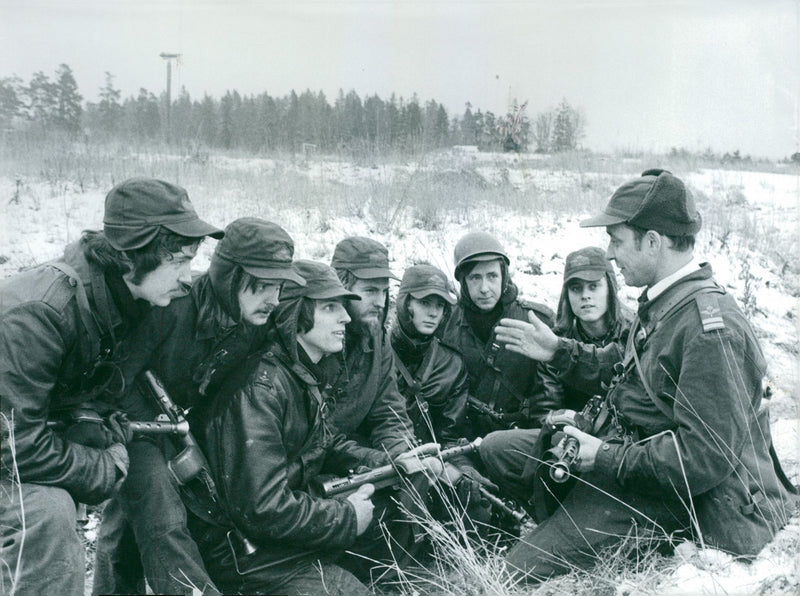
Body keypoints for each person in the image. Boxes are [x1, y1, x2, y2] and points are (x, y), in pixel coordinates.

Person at [489, 169, 793, 581]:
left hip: (668, 494)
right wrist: (559, 352)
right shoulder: (668, 301)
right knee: (498, 449)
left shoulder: (708, 329)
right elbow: (628, 365)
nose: (611, 254)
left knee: (512, 572)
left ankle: (610, 536)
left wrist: (605, 457)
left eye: (616, 241)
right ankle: (567, 516)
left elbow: (705, 458)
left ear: (652, 241)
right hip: (631, 456)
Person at [0, 178, 222, 595]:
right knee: (46, 516)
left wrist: (89, 420)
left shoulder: (119, 300)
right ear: (130, 255)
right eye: (178, 261)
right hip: (9, 455)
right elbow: (15, 448)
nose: (187, 278)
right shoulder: (40, 314)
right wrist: (104, 466)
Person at [92, 217, 305, 595]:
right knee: (162, 517)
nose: (273, 300)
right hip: (134, 424)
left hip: (184, 428)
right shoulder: (170, 306)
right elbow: (116, 382)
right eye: (263, 286)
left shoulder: (255, 324)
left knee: (131, 526)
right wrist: (154, 427)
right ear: (230, 277)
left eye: (279, 287)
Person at [184, 260, 389, 595]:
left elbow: (322, 443)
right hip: (247, 556)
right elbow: (262, 507)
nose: (346, 318)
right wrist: (346, 517)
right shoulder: (261, 388)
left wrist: (385, 464)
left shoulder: (300, 371)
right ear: (296, 314)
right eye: (330, 307)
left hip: (275, 540)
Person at [478, 246, 632, 507]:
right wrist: (569, 423)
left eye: (594, 287)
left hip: (622, 445)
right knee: (495, 447)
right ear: (566, 295)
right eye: (576, 288)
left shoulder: (633, 333)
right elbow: (545, 410)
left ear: (610, 288)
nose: (585, 296)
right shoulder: (555, 340)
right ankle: (541, 510)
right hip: (570, 438)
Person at [390, 264, 494, 522]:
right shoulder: (377, 353)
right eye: (425, 303)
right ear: (405, 303)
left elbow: (451, 435)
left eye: (440, 305)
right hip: (385, 460)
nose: (433, 312)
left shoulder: (451, 363)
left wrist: (464, 471)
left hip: (433, 464)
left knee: (477, 507)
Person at [441, 231, 563, 438]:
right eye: (475, 278)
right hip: (462, 437)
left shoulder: (536, 320)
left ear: (504, 276)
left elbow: (549, 395)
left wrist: (541, 440)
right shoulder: (446, 324)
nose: (484, 288)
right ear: (463, 281)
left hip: (521, 437)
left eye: (492, 276)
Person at [326, 236, 415, 456]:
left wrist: (403, 456)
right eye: (370, 291)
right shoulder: (314, 337)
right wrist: (378, 460)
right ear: (341, 288)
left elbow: (389, 412)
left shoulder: (377, 338)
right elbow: (316, 436)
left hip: (350, 455)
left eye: (384, 292)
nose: (380, 302)